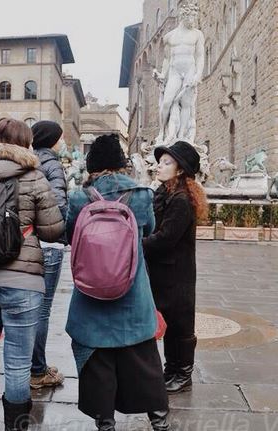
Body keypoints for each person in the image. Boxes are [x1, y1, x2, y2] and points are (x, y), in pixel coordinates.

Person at [0, 119, 64, 431]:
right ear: (25, 143)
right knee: (18, 365)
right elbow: (53, 229)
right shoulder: (33, 176)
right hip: (23, 281)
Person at [65, 134, 170, 431]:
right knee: (143, 360)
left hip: (90, 293)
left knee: (98, 363)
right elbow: (148, 230)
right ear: (121, 163)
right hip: (132, 293)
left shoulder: (79, 197)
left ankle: (106, 424)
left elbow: (70, 236)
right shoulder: (142, 195)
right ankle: (159, 422)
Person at [143, 140, 208, 395]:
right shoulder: (166, 192)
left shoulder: (181, 199)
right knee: (169, 322)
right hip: (163, 271)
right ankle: (172, 370)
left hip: (177, 273)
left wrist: (138, 243)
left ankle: (183, 374)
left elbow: (166, 237)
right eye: (160, 162)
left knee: (180, 324)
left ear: (180, 169)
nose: (159, 166)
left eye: (167, 162)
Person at [29, 121, 67, 389]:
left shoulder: (29, 161)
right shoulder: (52, 164)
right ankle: (37, 370)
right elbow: (58, 205)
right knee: (42, 311)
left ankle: (32, 364)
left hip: (28, 243)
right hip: (49, 245)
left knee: (29, 307)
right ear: (53, 139)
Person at [153, 1, 204, 145]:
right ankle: (162, 132)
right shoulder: (169, 37)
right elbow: (167, 59)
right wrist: (163, 75)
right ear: (183, 17)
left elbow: (200, 56)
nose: (194, 21)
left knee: (186, 104)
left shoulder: (197, 35)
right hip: (175, 72)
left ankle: (181, 136)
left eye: (195, 18)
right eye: (191, 18)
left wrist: (197, 75)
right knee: (167, 102)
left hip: (189, 70)